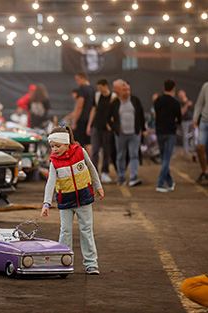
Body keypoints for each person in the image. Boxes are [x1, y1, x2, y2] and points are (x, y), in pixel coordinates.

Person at [41, 125, 104, 275]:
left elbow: (91, 168)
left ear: (66, 143)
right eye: (52, 146)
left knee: (86, 230)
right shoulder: (54, 161)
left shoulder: (80, 152)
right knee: (65, 231)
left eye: (57, 146)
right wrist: (46, 203)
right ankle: (63, 262)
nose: (55, 149)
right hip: (66, 201)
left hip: (84, 199)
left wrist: (98, 186)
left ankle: (91, 264)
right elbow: (50, 182)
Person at [108, 81, 146, 186]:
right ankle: (121, 177)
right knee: (120, 155)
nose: (127, 92)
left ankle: (134, 177)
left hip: (134, 133)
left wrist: (143, 129)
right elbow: (108, 118)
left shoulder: (135, 101)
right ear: (119, 91)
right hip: (120, 135)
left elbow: (141, 115)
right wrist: (115, 128)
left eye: (128, 90)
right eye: (124, 90)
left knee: (134, 155)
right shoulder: (115, 103)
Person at [153, 79, 182, 192]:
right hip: (170, 132)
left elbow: (156, 115)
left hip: (160, 131)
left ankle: (169, 182)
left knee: (164, 157)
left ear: (164, 87)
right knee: (167, 159)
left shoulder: (157, 101)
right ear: (173, 88)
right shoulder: (175, 103)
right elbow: (179, 119)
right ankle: (160, 183)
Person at [86, 78, 117, 183]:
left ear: (106, 85)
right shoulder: (97, 96)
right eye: (98, 88)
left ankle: (105, 172)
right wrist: (89, 125)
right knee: (95, 150)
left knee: (106, 150)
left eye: (101, 88)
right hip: (96, 126)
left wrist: (112, 125)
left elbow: (115, 113)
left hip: (107, 129)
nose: (100, 90)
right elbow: (93, 110)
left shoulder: (113, 97)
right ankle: (93, 173)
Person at [70, 72, 95, 154]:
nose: (76, 82)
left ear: (83, 78)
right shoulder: (92, 89)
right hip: (90, 119)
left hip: (82, 119)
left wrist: (74, 121)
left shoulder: (82, 89)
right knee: (88, 142)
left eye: (77, 79)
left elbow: (79, 106)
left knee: (77, 143)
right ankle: (90, 163)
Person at [192, 82, 208, 183]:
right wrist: (195, 118)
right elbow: (199, 104)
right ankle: (204, 171)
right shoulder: (206, 86)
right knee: (199, 147)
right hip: (204, 121)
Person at [178, 89, 198, 162]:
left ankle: (194, 151)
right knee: (185, 136)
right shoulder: (180, 103)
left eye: (182, 94)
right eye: (179, 95)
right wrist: (186, 104)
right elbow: (182, 112)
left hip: (192, 120)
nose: (181, 96)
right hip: (185, 121)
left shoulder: (191, 101)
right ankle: (186, 151)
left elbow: (195, 110)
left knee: (195, 136)